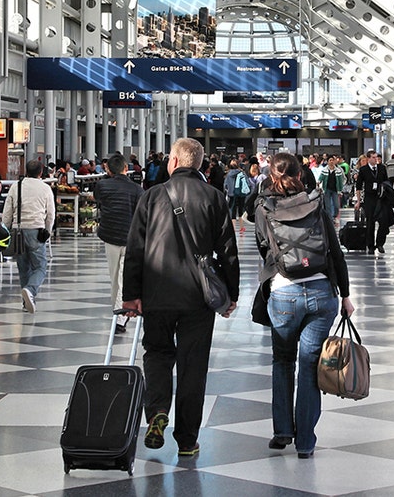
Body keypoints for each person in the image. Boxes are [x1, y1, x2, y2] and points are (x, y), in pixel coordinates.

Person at [121, 137, 240, 458]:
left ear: (173, 161)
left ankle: (157, 410)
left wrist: (131, 296)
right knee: (193, 365)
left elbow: (135, 250)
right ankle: (187, 439)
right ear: (200, 164)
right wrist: (231, 294)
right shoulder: (215, 198)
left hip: (156, 293)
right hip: (198, 297)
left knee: (157, 353)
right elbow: (228, 251)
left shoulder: (151, 196)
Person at [252, 153, 354, 460]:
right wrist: (346, 294)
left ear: (271, 176)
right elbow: (334, 250)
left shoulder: (263, 207)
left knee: (283, 361)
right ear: (302, 173)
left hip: (284, 292)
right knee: (311, 366)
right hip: (323, 292)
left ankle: (283, 431)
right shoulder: (316, 202)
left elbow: (262, 247)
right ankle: (306, 442)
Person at [95, 154, 144, 332]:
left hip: (110, 237)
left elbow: (99, 203)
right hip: (131, 239)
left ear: (108, 169)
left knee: (114, 276)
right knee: (124, 276)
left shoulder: (102, 186)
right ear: (126, 168)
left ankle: (119, 315)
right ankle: (120, 315)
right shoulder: (137, 189)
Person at [2, 159, 56, 313]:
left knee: (23, 267)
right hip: (36, 230)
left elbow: (7, 212)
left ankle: (26, 303)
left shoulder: (16, 186)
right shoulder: (45, 188)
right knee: (40, 266)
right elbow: (51, 213)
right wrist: (48, 230)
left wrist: (6, 229)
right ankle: (30, 291)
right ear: (41, 172)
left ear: (26, 171)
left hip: (18, 230)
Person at [355, 150, 394, 254]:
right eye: (373, 157)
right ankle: (370, 245)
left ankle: (380, 243)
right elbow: (359, 186)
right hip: (369, 198)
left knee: (383, 222)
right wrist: (358, 201)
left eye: (376, 157)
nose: (375, 159)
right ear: (368, 158)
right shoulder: (363, 170)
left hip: (381, 198)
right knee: (370, 223)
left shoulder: (382, 168)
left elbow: (387, 182)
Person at [223, 159, 251, 233]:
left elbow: (225, 185)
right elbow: (248, 183)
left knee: (232, 210)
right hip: (241, 194)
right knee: (241, 210)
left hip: (231, 194)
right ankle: (242, 227)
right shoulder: (242, 173)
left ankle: (233, 228)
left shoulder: (228, 175)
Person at [318, 155, 346, 224]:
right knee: (328, 205)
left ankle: (334, 216)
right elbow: (320, 178)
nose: (331, 162)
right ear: (327, 162)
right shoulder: (324, 170)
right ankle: (330, 219)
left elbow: (340, 182)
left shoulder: (338, 171)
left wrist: (340, 190)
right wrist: (319, 182)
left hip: (335, 190)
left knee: (336, 205)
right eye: (330, 160)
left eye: (332, 160)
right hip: (327, 189)